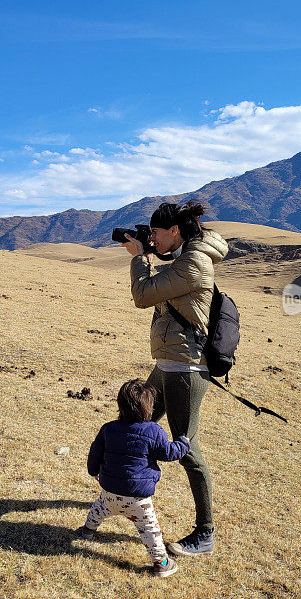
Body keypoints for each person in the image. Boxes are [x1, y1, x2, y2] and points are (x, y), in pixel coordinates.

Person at [121, 201, 228, 557]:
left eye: (155, 232)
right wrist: (147, 250)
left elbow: (142, 295)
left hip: (186, 368)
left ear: (174, 231)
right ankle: (125, 491)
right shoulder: (185, 256)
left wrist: (140, 257)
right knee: (139, 424)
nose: (150, 237)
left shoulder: (194, 262)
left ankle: (205, 532)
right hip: (168, 362)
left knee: (187, 449)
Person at [77, 379, 190, 577]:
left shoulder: (108, 429)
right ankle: (162, 563)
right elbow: (169, 452)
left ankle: (87, 531)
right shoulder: (154, 431)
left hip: (110, 490)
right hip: (138, 499)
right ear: (150, 407)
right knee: (149, 530)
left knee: (99, 508)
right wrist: (183, 443)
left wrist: (93, 471)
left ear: (120, 404)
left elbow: (94, 452)